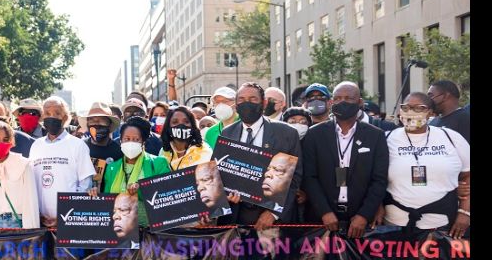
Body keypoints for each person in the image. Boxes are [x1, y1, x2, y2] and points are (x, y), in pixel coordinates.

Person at [374, 92, 470, 239]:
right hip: (394, 227)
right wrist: (377, 205)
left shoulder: (450, 137)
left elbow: (467, 175)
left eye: (419, 108)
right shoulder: (386, 139)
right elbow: (374, 178)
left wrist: (465, 212)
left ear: (430, 113)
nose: (410, 112)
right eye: (405, 107)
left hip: (442, 227)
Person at [302, 82, 389, 238]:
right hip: (321, 220)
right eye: (338, 98)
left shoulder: (375, 135)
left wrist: (364, 215)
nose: (342, 102)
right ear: (331, 102)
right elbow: (310, 177)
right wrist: (325, 212)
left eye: (349, 98)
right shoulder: (314, 135)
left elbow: (379, 180)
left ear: (360, 102)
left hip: (361, 222)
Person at [219, 83, 303, 229]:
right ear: (236, 104)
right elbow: (222, 173)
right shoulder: (227, 133)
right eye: (242, 100)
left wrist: (273, 213)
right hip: (237, 216)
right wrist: (227, 194)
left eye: (253, 99)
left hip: (273, 220)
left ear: (264, 103)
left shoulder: (286, 133)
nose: (247, 103)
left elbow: (294, 178)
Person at [29, 96, 96, 228]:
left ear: (65, 118)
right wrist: (35, 214)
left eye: (57, 113)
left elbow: (85, 185)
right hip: (39, 223)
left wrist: (64, 216)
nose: (52, 116)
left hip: (69, 223)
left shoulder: (78, 145)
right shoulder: (36, 145)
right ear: (42, 117)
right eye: (47, 113)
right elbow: (31, 183)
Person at [102, 117, 171, 227]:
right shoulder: (112, 168)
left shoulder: (159, 163)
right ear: (120, 140)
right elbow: (106, 201)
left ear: (143, 142)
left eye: (136, 139)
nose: (130, 143)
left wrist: (143, 189)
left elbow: (166, 196)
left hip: (149, 231)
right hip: (120, 230)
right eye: (127, 139)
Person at [0, 119, 40, 233]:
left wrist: (31, 235)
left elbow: (31, 203)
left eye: (5, 140)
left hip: (19, 224)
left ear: (12, 142)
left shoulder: (23, 164)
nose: (1, 143)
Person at [80, 102, 122, 190]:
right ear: (87, 125)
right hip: (83, 200)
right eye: (92, 120)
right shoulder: (80, 147)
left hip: (109, 200)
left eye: (101, 120)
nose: (96, 124)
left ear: (110, 125)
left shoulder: (118, 151)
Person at [159, 105, 212, 170]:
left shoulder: (204, 151)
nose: (181, 125)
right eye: (175, 122)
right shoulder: (163, 151)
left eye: (186, 122)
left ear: (192, 125)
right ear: (168, 127)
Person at [428, 79, 470, 144]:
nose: (428, 100)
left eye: (431, 96)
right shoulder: (433, 122)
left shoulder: (465, 119)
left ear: (445, 96)